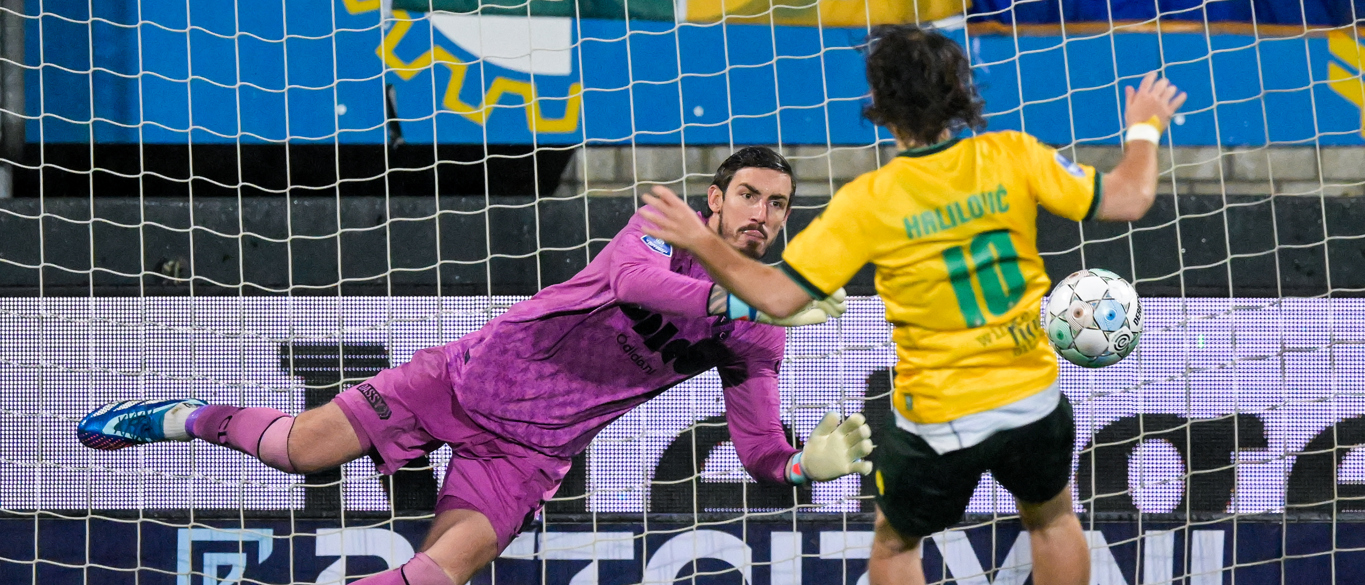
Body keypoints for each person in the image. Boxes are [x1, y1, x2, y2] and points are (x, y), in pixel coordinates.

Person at [77, 147, 875, 585]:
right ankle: (179, 415)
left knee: (441, 571)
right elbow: (637, 286)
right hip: (462, 382)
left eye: (777, 203)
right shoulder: (661, 228)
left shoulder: (760, 335)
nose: (762, 213)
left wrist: (801, 466)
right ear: (715, 199)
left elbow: (757, 450)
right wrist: (751, 300)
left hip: (530, 450)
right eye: (749, 194)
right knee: (297, 449)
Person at [639, 25, 1185, 585]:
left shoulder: (869, 201)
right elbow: (1130, 197)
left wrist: (700, 239)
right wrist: (1145, 126)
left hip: (939, 418)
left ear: (878, 104)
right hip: (1031, 397)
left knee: (895, 545)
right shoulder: (1013, 154)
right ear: (960, 92)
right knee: (1052, 520)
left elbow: (776, 297)